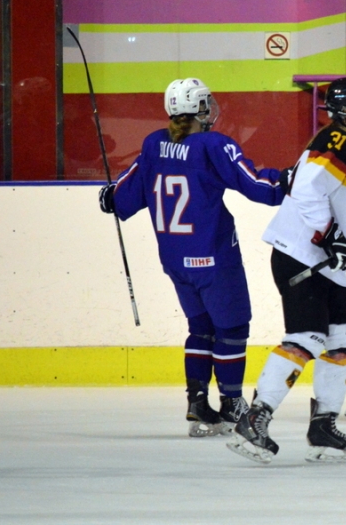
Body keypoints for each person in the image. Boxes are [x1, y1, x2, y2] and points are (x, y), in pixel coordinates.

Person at [98, 78, 284, 437]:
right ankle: (231, 404)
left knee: (200, 328)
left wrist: (109, 196)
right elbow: (259, 187)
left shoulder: (155, 143)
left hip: (174, 259)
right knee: (231, 329)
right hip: (213, 257)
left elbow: (123, 196)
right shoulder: (214, 144)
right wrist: (291, 181)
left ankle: (197, 403)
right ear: (200, 109)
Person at [227, 77, 346, 464]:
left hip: (324, 260)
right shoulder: (337, 140)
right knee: (307, 336)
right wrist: (329, 235)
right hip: (300, 251)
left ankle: (323, 426)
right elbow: (308, 189)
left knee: (345, 335)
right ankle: (255, 417)